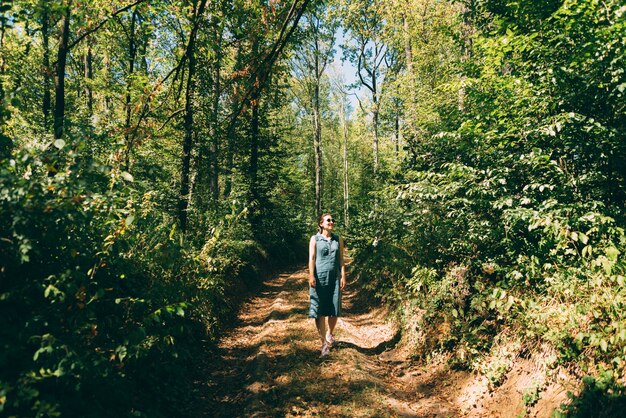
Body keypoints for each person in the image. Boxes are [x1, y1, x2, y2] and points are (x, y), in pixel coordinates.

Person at [308, 213, 346, 357]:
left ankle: (330, 334)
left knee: (334, 308)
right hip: (319, 277)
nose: (331, 222)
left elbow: (341, 259)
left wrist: (343, 276)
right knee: (319, 309)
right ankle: (324, 343)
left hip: (334, 278)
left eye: (332, 220)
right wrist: (311, 275)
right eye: (328, 220)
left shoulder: (338, 239)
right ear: (321, 223)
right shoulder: (315, 239)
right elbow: (311, 258)